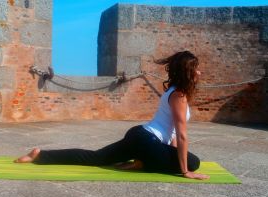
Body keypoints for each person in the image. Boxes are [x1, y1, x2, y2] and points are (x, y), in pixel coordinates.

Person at [15, 51, 210, 180]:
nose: (200, 72)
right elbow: (182, 134)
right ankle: (143, 162)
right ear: (188, 72)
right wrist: (185, 171)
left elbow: (174, 137)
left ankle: (40, 155)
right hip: (146, 141)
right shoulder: (179, 96)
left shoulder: (174, 92)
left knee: (96, 157)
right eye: (197, 69)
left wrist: (168, 157)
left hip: (141, 136)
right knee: (194, 163)